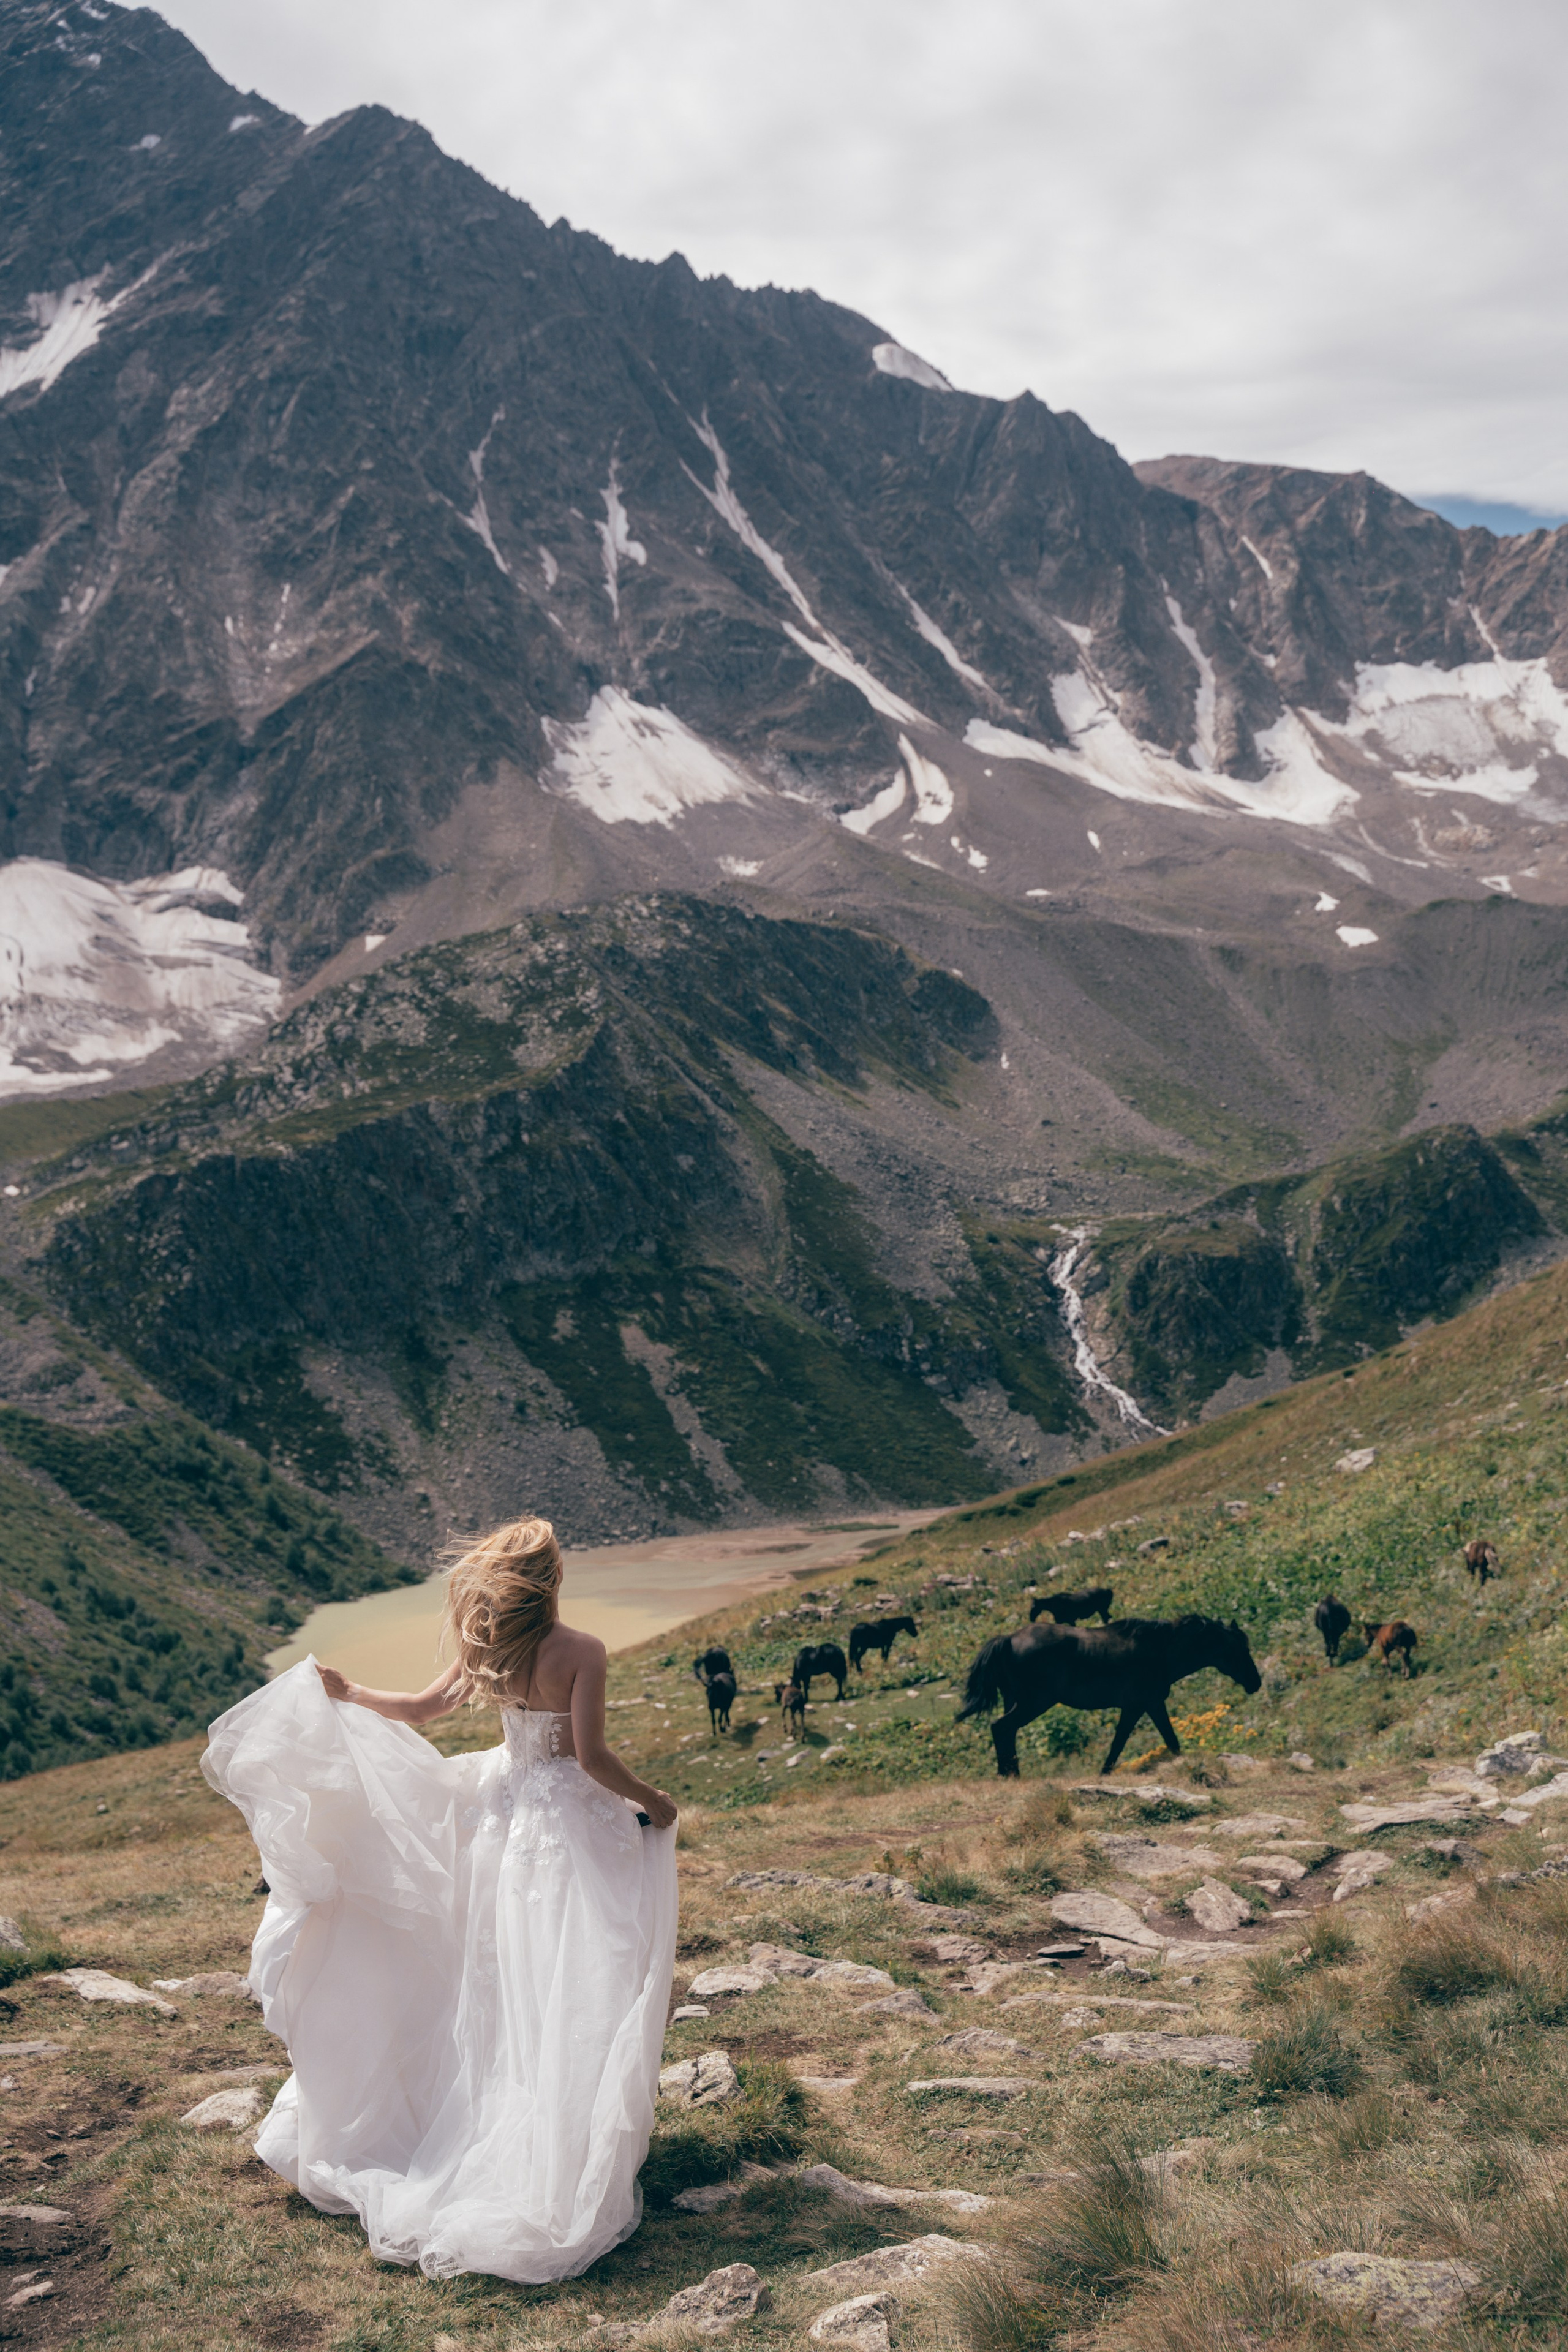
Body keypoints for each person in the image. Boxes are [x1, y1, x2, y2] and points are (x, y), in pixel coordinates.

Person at [201, 1516, 679, 2283]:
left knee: (495, 1978)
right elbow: (591, 1757)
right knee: (575, 1974)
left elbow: (423, 1710)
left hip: (501, 1822)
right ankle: (559, 2136)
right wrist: (652, 1800)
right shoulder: (581, 1651)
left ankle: (492, 2116)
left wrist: (349, 1693)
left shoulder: (490, 1647)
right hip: (564, 1828)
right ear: (552, 1580)